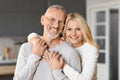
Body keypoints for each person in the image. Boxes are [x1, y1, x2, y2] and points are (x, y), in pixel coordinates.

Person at [13, 5, 81, 80]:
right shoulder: (26, 48)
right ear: (42, 20)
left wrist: (57, 71)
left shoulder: (71, 53)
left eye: (61, 22)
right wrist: (35, 56)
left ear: (63, 26)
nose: (56, 25)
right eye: (52, 19)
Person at [43, 12, 99, 80]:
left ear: (84, 31)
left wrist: (63, 65)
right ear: (65, 31)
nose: (73, 34)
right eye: (69, 29)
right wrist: (33, 38)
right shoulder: (65, 42)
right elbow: (37, 36)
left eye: (78, 29)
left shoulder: (91, 49)